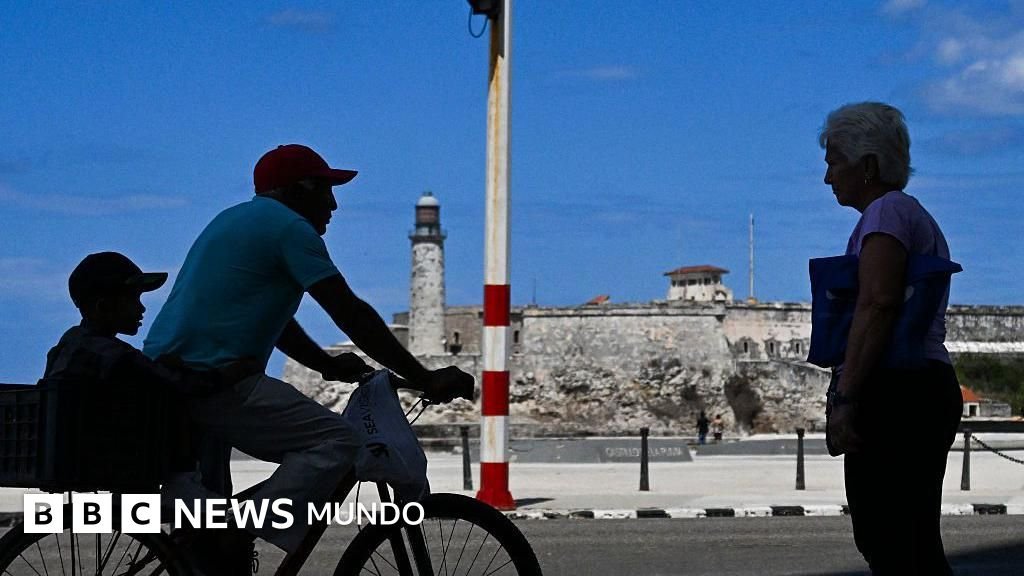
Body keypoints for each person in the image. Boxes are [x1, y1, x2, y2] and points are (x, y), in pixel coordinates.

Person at [142, 144, 473, 574]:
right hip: (214, 381)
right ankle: (239, 528)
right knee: (338, 442)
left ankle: (222, 534)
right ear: (300, 188)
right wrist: (424, 377)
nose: (333, 205)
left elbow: (273, 320)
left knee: (208, 543)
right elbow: (350, 312)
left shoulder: (234, 220)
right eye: (326, 190)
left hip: (172, 379)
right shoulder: (290, 229)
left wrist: (326, 364)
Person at [819, 102, 962, 575]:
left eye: (834, 162)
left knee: (892, 542)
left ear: (868, 165)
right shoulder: (901, 213)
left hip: (898, 390)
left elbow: (878, 303)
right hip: (919, 386)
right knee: (909, 542)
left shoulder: (887, 214)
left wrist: (846, 397)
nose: (828, 177)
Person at [43, 252, 258, 478]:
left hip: (76, 453)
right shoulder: (115, 355)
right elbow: (189, 386)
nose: (141, 309)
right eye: (133, 299)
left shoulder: (71, 344)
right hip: (108, 456)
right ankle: (191, 484)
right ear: (103, 306)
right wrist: (238, 371)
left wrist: (158, 368)